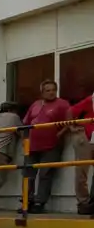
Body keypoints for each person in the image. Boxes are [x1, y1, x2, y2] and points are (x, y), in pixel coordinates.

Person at [22, 80, 72, 213]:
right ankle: (27, 202)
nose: (51, 93)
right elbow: (26, 123)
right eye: (47, 90)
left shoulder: (62, 104)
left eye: (53, 90)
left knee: (45, 174)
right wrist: (25, 139)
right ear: (42, 92)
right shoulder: (36, 104)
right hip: (32, 146)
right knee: (28, 174)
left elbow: (69, 122)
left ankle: (39, 203)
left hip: (51, 146)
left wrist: (59, 135)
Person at [69, 91, 94, 215]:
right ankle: (83, 202)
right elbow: (71, 111)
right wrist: (72, 127)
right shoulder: (91, 100)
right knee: (82, 170)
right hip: (86, 137)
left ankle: (88, 202)